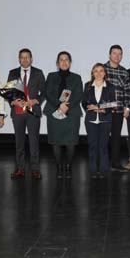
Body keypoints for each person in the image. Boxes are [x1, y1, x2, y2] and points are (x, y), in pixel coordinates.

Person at [7, 48, 46, 179]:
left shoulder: (38, 73)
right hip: (18, 111)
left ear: (31, 59)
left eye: (27, 57)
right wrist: (12, 101)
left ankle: (35, 169)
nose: (24, 59)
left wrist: (36, 100)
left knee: (34, 141)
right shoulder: (12, 73)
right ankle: (20, 168)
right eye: (22, 57)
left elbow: (44, 92)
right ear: (19, 59)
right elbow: (9, 92)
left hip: (32, 111)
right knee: (19, 142)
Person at [44, 51, 83, 179]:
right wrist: (59, 105)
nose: (64, 62)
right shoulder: (51, 76)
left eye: (66, 60)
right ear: (57, 63)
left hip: (72, 113)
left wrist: (67, 107)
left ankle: (68, 167)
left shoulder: (76, 77)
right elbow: (48, 93)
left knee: (71, 142)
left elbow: (78, 94)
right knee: (56, 142)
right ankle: (59, 168)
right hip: (54, 111)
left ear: (70, 63)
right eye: (61, 60)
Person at [82, 63, 116, 179]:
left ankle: (103, 170)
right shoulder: (87, 85)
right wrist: (91, 107)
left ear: (105, 73)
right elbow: (84, 102)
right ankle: (92, 170)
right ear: (93, 73)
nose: (99, 73)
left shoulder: (110, 86)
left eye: (101, 71)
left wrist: (100, 107)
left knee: (103, 146)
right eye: (96, 71)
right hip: (91, 120)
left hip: (105, 119)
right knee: (92, 146)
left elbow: (113, 103)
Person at [104, 45, 130, 172]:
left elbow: (128, 91)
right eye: (114, 53)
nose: (117, 56)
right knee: (103, 137)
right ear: (109, 55)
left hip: (119, 111)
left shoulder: (124, 72)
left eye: (119, 54)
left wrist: (127, 107)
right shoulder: (102, 69)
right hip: (104, 110)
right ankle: (102, 163)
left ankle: (115, 163)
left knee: (116, 138)